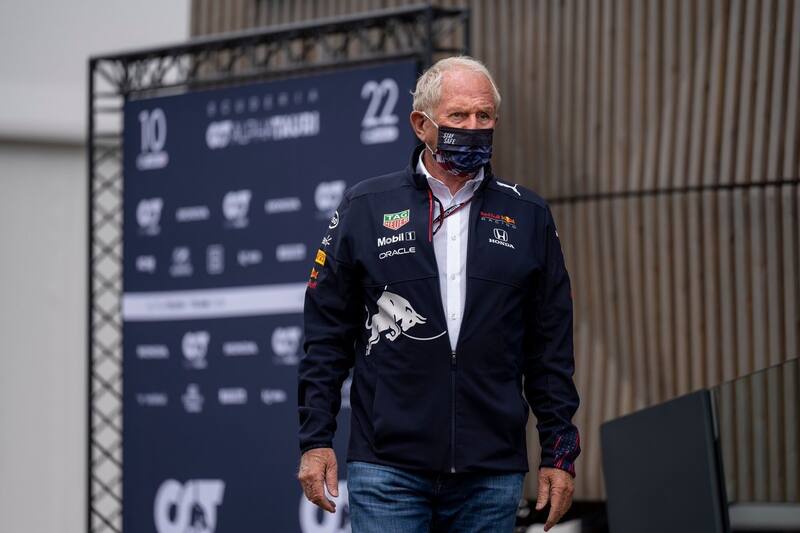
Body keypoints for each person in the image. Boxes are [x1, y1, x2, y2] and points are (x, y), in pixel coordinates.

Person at [297, 56, 580, 533]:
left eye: (484, 116)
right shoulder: (366, 207)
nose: (473, 127)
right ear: (420, 124)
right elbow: (326, 336)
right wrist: (315, 440)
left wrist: (559, 452)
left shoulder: (528, 215)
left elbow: (550, 347)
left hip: (490, 471)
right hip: (388, 467)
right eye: (458, 116)